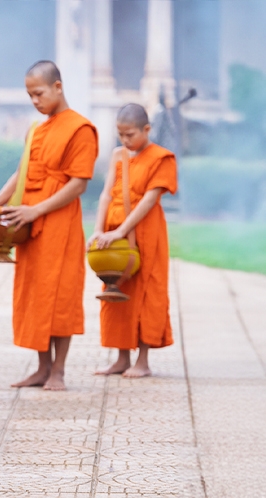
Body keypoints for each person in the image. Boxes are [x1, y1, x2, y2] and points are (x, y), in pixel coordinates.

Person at [0, 61, 98, 391]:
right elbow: (21, 172)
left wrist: (37, 210)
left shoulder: (81, 128)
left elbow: (78, 184)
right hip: (27, 221)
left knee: (60, 293)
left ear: (58, 87)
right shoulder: (36, 129)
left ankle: (59, 370)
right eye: (29, 95)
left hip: (59, 220)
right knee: (34, 292)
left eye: (39, 93)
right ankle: (41, 368)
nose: (34, 100)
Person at [89, 104, 178, 378]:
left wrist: (122, 231)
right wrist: (98, 230)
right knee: (116, 290)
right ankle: (121, 358)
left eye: (130, 135)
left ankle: (143, 360)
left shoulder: (162, 158)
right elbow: (106, 195)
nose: (125, 141)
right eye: (120, 134)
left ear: (146, 130)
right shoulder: (118, 156)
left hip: (146, 232)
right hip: (113, 230)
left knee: (146, 291)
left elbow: (149, 201)